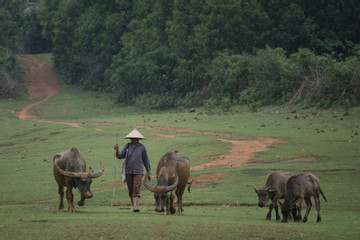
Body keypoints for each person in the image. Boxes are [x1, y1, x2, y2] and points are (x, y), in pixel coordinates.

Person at [114, 129, 152, 212]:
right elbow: (120, 156)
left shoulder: (142, 147)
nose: (134, 139)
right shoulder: (127, 146)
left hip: (138, 171)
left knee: (136, 188)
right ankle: (133, 206)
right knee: (130, 190)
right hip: (128, 171)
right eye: (132, 138)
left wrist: (149, 172)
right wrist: (117, 150)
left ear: (138, 139)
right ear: (130, 138)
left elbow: (146, 160)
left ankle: (135, 207)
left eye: (135, 138)